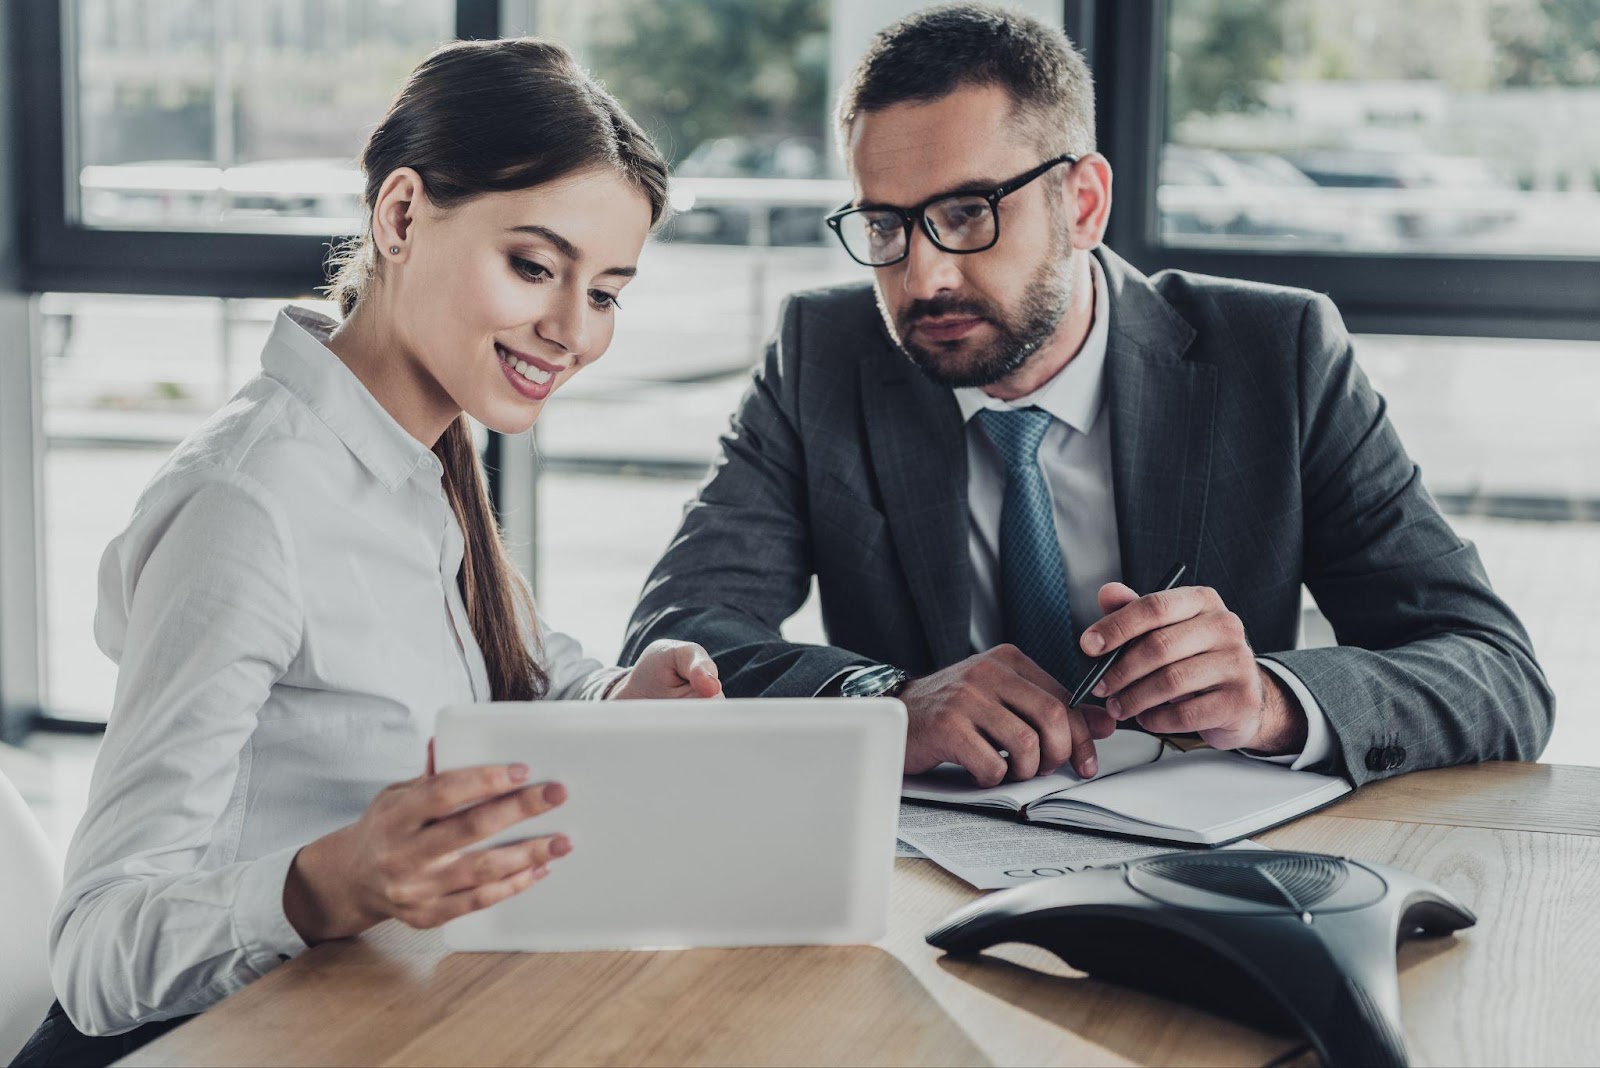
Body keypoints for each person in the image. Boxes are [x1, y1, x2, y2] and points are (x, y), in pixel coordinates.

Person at [623, 4, 1552, 790]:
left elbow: (1494, 673)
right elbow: (677, 639)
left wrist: (1273, 702)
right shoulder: (825, 353)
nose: (923, 274)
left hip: (1204, 872)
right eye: (884, 224)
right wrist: (885, 706)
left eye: (966, 213)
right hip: (928, 885)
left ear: (1083, 203)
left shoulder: (1280, 354)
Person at [17, 38, 721, 1067]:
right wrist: (326, 883)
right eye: (534, 266)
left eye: (607, 292)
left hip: (374, 1016)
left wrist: (621, 701)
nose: (571, 329)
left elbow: (500, 668)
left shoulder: (422, 459)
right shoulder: (247, 504)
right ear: (400, 218)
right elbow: (94, 955)